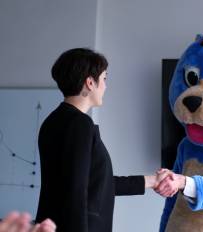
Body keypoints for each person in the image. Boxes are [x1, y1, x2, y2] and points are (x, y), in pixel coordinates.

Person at [35, 48, 172, 232]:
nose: (105, 86)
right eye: (104, 78)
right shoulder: (79, 124)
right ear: (90, 82)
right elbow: (76, 192)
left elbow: (98, 184)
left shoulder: (52, 121)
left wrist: (153, 180)